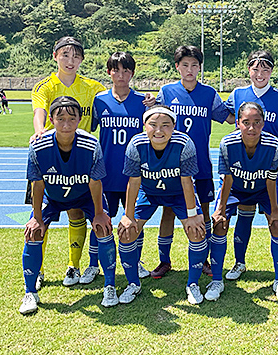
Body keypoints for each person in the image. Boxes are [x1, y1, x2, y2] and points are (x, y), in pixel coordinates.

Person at [19, 96, 117, 314]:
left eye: (72, 119)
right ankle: (30, 292)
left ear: (79, 120)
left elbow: (95, 182)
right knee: (34, 232)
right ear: (51, 120)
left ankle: (110, 287)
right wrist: (37, 218)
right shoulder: (38, 145)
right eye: (60, 118)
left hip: (84, 196)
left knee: (104, 228)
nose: (66, 124)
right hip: (52, 197)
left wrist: (99, 213)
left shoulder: (91, 144)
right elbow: (37, 184)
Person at [30, 37, 107, 288]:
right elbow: (39, 112)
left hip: (81, 158)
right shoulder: (45, 86)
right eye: (65, 55)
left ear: (82, 59)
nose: (70, 61)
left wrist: (146, 101)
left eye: (75, 56)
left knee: (76, 211)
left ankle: (73, 266)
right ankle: (38, 270)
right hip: (50, 156)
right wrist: (40, 131)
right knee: (40, 215)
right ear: (55, 56)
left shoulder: (93, 87)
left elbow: (116, 99)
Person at [152, 46, 232, 280]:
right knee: (168, 211)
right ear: (177, 66)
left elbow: (228, 117)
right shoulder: (167, 92)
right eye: (185, 65)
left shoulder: (209, 94)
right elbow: (154, 118)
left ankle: (203, 259)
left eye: (194, 65)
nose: (190, 69)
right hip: (170, 164)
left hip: (200, 164)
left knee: (203, 211)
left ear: (200, 68)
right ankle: (164, 261)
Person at [117, 105, 208, 305]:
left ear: (174, 126)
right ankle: (133, 284)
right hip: (149, 192)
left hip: (179, 193)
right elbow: (134, 181)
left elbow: (186, 181)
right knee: (127, 232)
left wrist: (192, 215)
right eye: (153, 125)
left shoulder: (184, 143)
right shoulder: (136, 144)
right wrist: (128, 216)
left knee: (196, 231)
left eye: (165, 125)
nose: (159, 130)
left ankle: (192, 284)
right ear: (144, 125)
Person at [222, 50, 278, 282]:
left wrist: (272, 135)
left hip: (272, 165)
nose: (260, 73)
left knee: (277, 217)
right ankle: (239, 262)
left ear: (272, 71)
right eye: (255, 69)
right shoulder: (238, 94)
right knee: (244, 215)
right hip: (244, 164)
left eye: (265, 69)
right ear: (249, 70)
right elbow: (228, 116)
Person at [209, 102, 278, 301]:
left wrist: (275, 209)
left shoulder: (274, 145)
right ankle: (217, 280)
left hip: (263, 188)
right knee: (219, 223)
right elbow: (227, 179)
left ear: (264, 123)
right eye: (246, 122)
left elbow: (271, 179)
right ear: (238, 123)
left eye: (257, 122)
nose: (252, 127)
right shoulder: (227, 144)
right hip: (236, 188)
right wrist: (220, 209)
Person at [83, 52, 150, 285]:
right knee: (100, 220)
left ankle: (136, 261)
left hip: (134, 175)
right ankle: (93, 264)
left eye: (126, 71)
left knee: (135, 221)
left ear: (132, 73)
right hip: (106, 173)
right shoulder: (99, 101)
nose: (121, 75)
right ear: (109, 72)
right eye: (116, 70)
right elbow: (88, 128)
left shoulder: (142, 102)